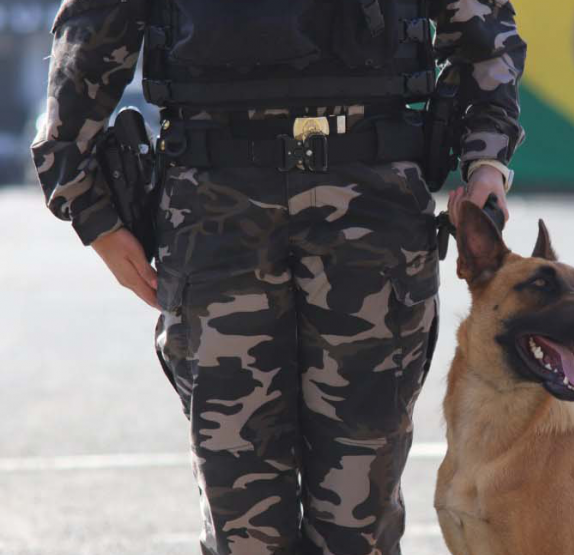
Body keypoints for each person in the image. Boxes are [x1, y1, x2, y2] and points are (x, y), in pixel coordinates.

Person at [30, 0, 525, 553]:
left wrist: (488, 159)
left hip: (370, 212)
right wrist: (90, 211)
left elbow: (483, 29)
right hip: (215, 209)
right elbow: (90, 33)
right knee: (242, 515)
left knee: (358, 515)